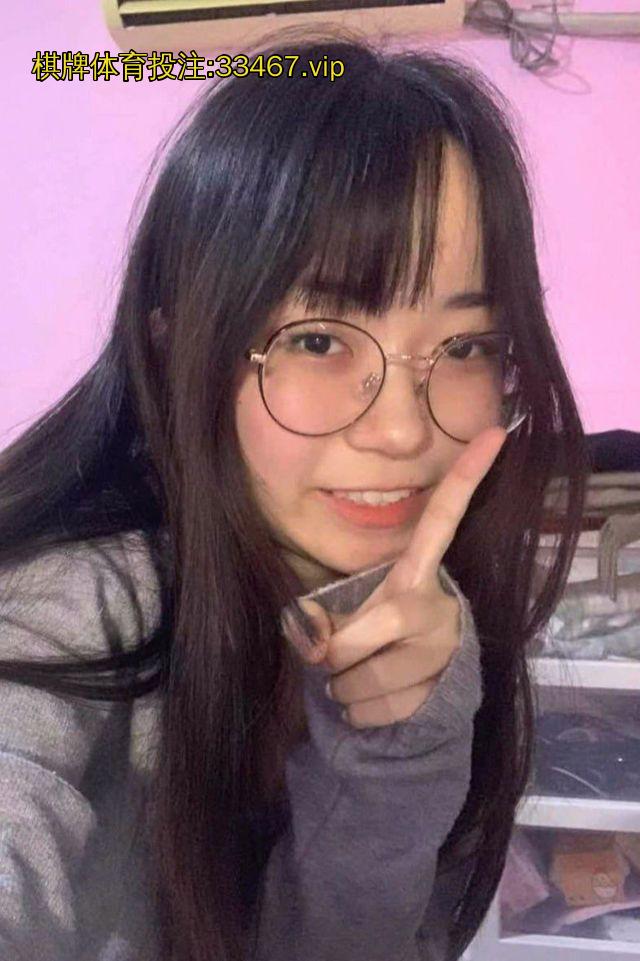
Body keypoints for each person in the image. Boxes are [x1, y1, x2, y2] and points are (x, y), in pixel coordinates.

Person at [0, 24, 589, 961]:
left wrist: (400, 752)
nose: (402, 430)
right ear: (178, 346)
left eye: (467, 346)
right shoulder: (70, 610)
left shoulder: (440, 620)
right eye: (318, 339)